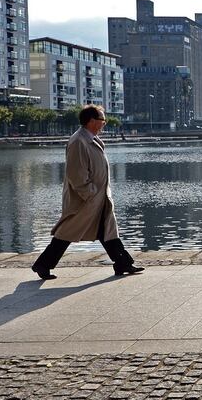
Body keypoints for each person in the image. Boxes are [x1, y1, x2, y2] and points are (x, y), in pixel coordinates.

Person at [31, 105, 145, 280]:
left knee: (108, 230)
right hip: (85, 200)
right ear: (92, 121)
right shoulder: (78, 141)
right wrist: (90, 194)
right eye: (102, 120)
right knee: (66, 233)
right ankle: (43, 264)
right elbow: (76, 174)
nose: (104, 124)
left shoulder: (91, 139)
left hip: (99, 197)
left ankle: (123, 263)